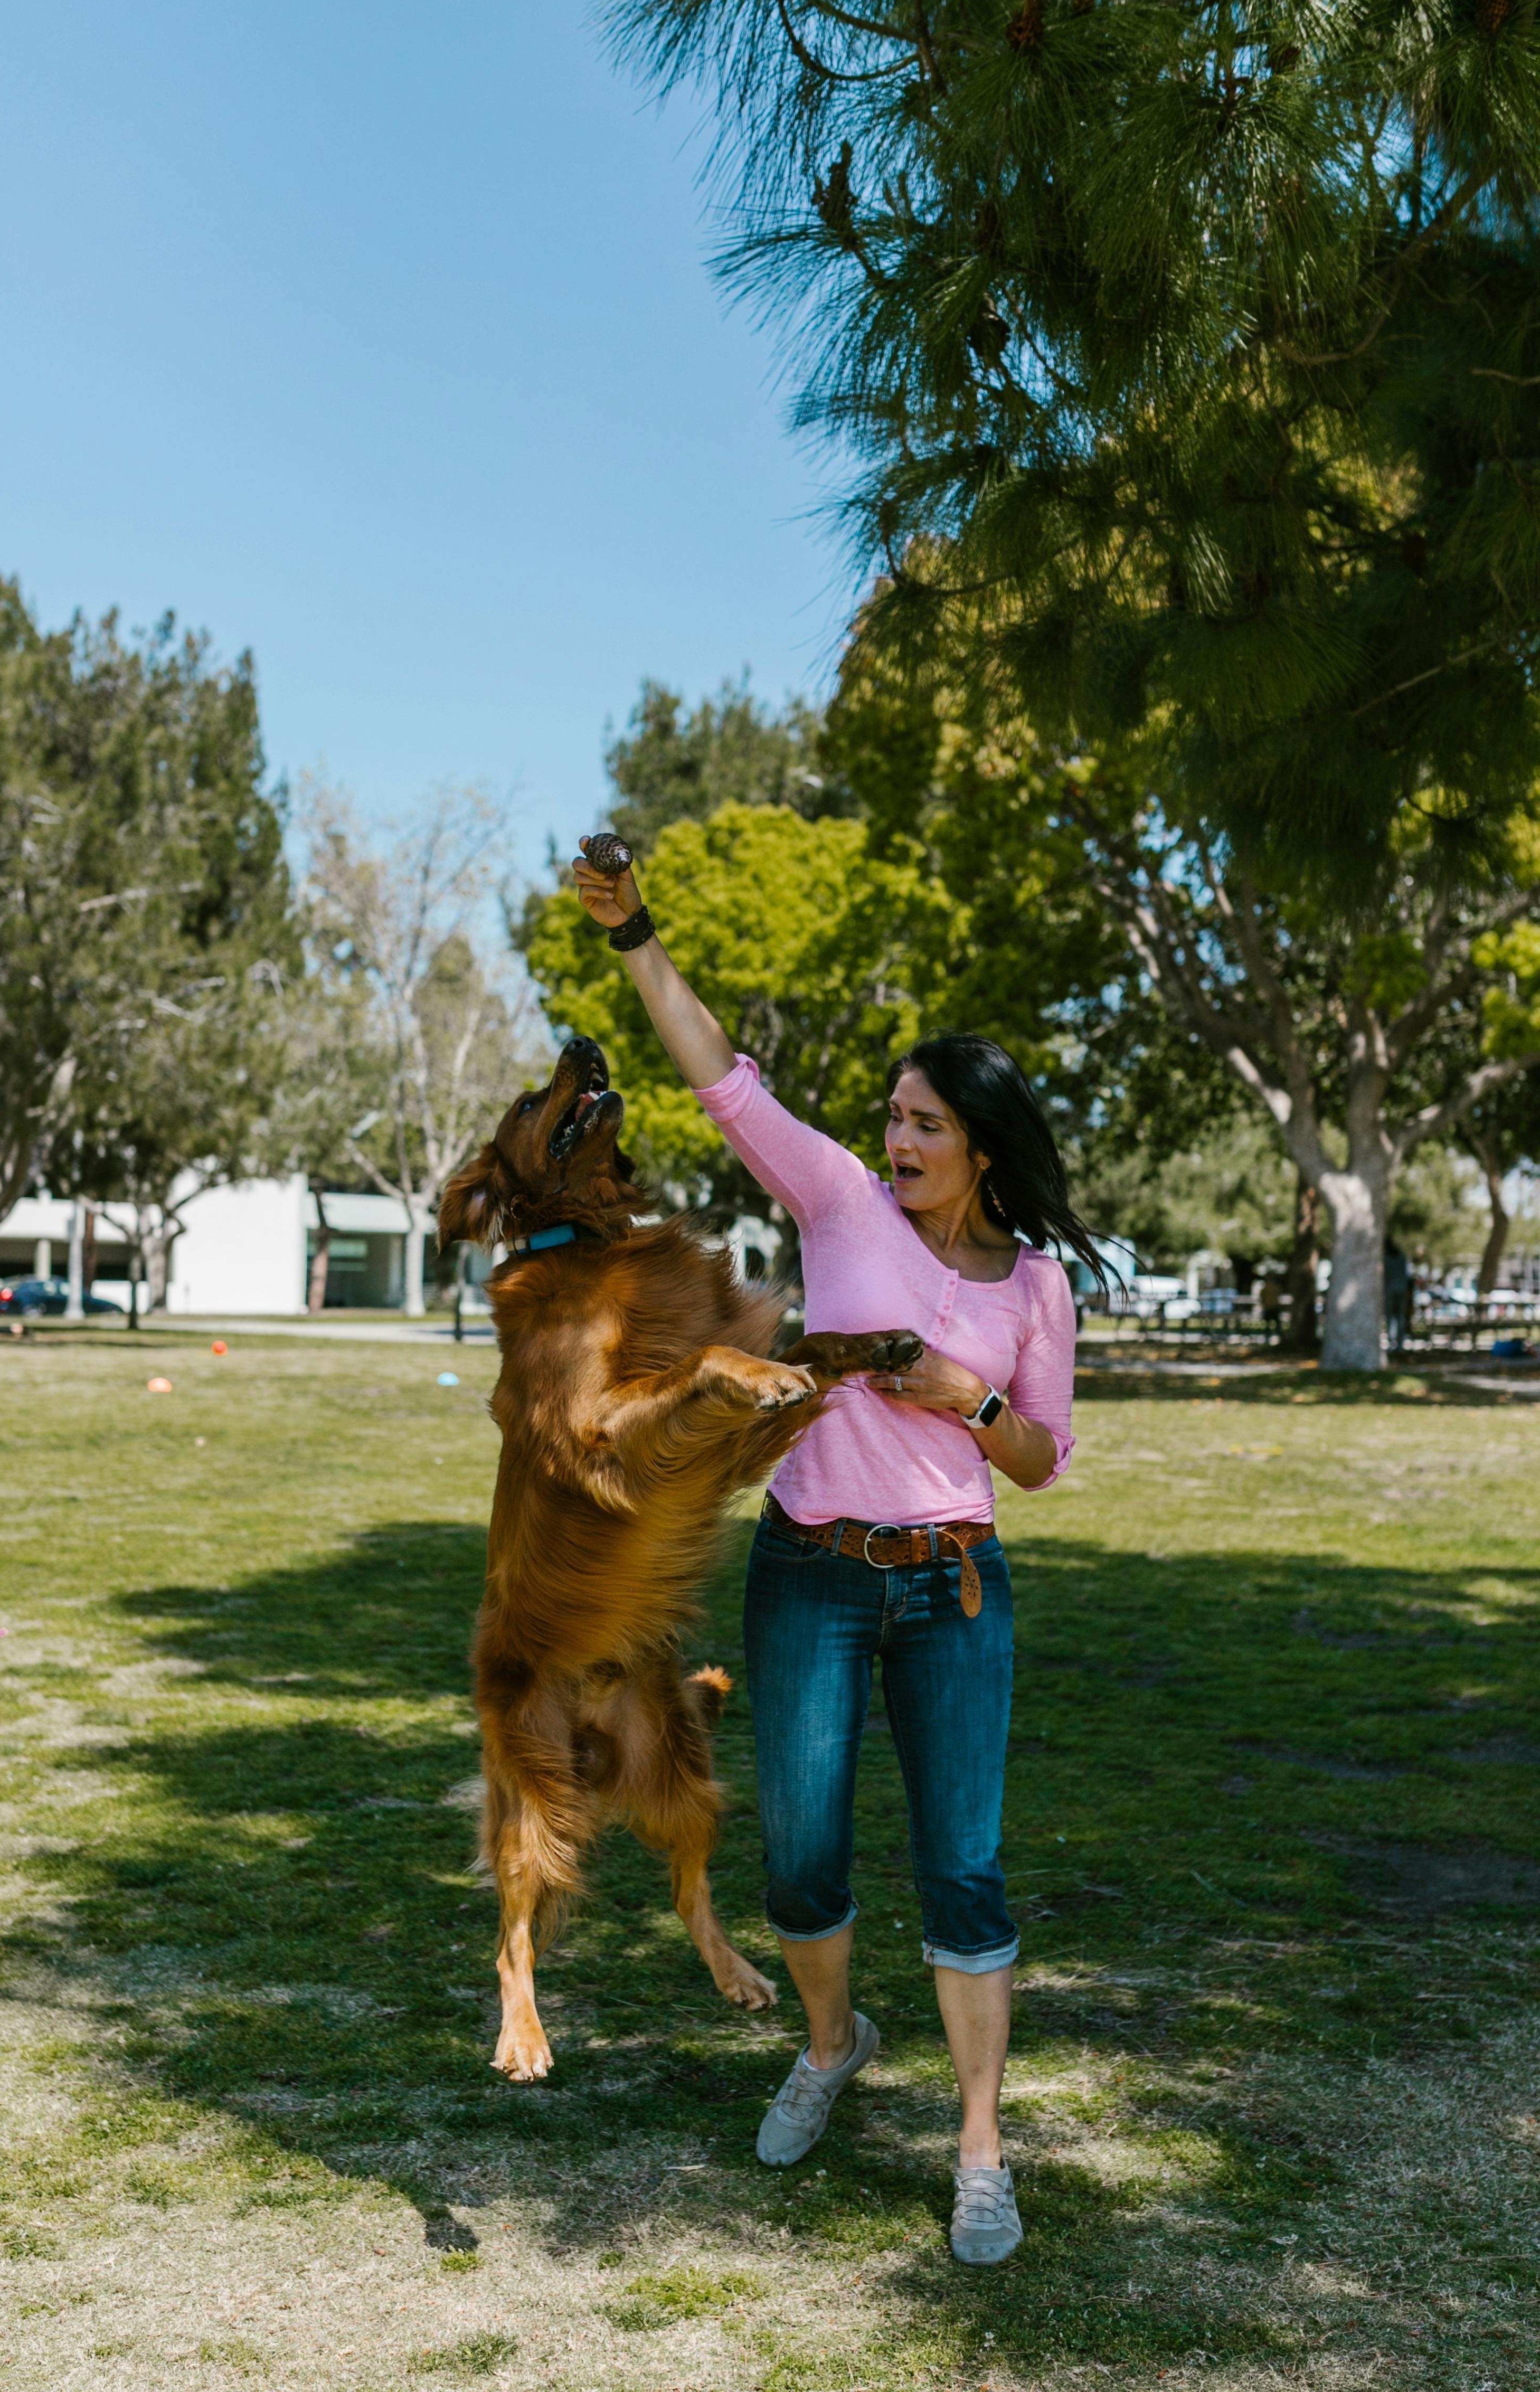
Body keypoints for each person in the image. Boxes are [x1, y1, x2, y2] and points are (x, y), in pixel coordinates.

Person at [572, 840, 1106, 2268]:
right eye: (894, 1117)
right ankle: (831, 2041)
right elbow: (718, 1073)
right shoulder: (839, 1206)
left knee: (966, 1867)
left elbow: (1043, 1455)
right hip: (811, 1571)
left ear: (984, 1143)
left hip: (956, 1587)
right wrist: (637, 934)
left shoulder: (1037, 1285)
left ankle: (980, 2149)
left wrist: (964, 1398)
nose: (900, 1141)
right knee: (803, 1858)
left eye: (927, 1123)